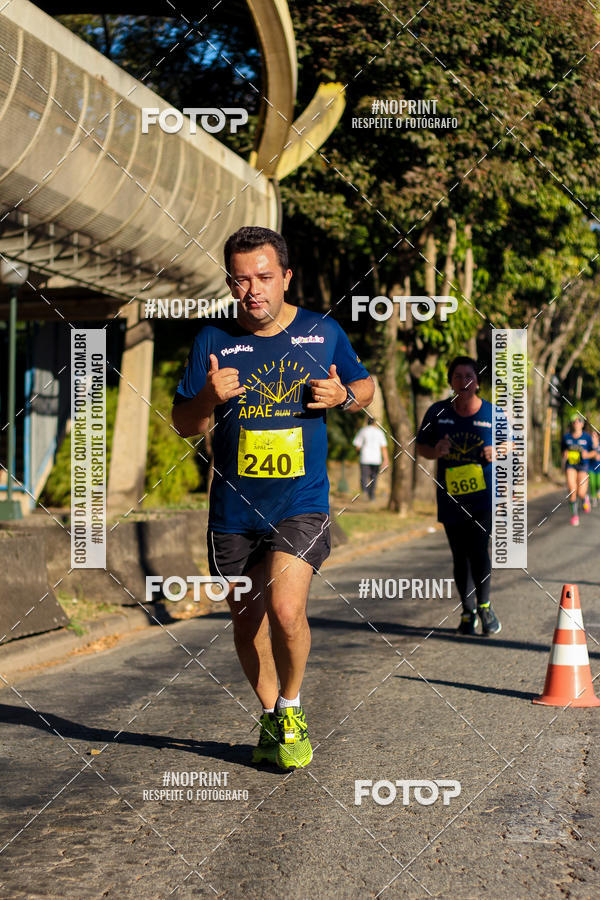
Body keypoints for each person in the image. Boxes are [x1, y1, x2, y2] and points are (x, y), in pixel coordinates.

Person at [172, 226, 373, 769]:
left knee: (286, 610)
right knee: (246, 619)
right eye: (240, 280)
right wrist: (208, 398)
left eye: (263, 277)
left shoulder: (322, 332)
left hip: (300, 502)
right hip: (233, 512)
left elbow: (366, 384)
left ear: (285, 276)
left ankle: (292, 705)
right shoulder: (210, 341)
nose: (252, 290)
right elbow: (183, 423)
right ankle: (271, 717)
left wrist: (345, 396)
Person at [416, 356, 505, 637]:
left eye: (469, 376)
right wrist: (436, 451)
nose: (463, 381)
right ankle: (467, 612)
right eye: (457, 376)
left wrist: (499, 451)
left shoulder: (494, 413)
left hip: (483, 496)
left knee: (478, 548)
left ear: (477, 382)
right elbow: (421, 447)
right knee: (459, 555)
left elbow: (513, 442)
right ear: (450, 381)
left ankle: (485, 607)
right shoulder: (437, 412)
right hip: (450, 494)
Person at [561, 414, 594, 525]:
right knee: (572, 489)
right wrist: (564, 454)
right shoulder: (566, 437)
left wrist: (587, 455)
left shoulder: (587, 437)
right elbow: (563, 451)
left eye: (579, 421)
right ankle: (574, 516)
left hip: (583, 466)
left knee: (581, 492)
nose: (576, 423)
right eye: (574, 421)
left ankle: (585, 498)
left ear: (582, 424)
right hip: (571, 465)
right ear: (572, 423)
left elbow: (594, 452)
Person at [353, 417, 389, 500]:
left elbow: (357, 446)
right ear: (375, 423)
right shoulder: (379, 432)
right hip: (376, 459)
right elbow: (383, 447)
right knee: (374, 477)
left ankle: (365, 492)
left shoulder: (363, 431)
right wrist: (386, 459)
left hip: (365, 458)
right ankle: (372, 495)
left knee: (364, 476)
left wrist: (357, 454)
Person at [590, 430, 600, 508]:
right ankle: (594, 499)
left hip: (599, 468)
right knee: (592, 484)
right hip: (591, 468)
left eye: (595, 436)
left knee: (598, 483)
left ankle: (598, 492)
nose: (593, 438)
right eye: (592, 436)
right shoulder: (589, 445)